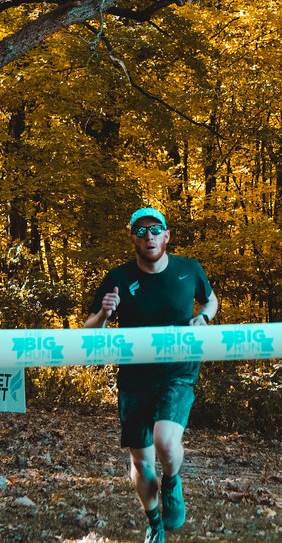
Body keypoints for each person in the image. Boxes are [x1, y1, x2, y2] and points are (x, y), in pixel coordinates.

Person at [84, 207, 218, 543]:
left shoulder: (189, 269)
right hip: (135, 378)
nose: (149, 236)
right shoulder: (117, 277)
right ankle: (154, 521)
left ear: (166, 235)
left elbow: (211, 301)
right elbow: (88, 331)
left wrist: (203, 317)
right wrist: (104, 314)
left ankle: (172, 483)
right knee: (142, 461)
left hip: (178, 370)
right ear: (133, 238)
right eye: (141, 231)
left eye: (156, 229)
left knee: (166, 444)